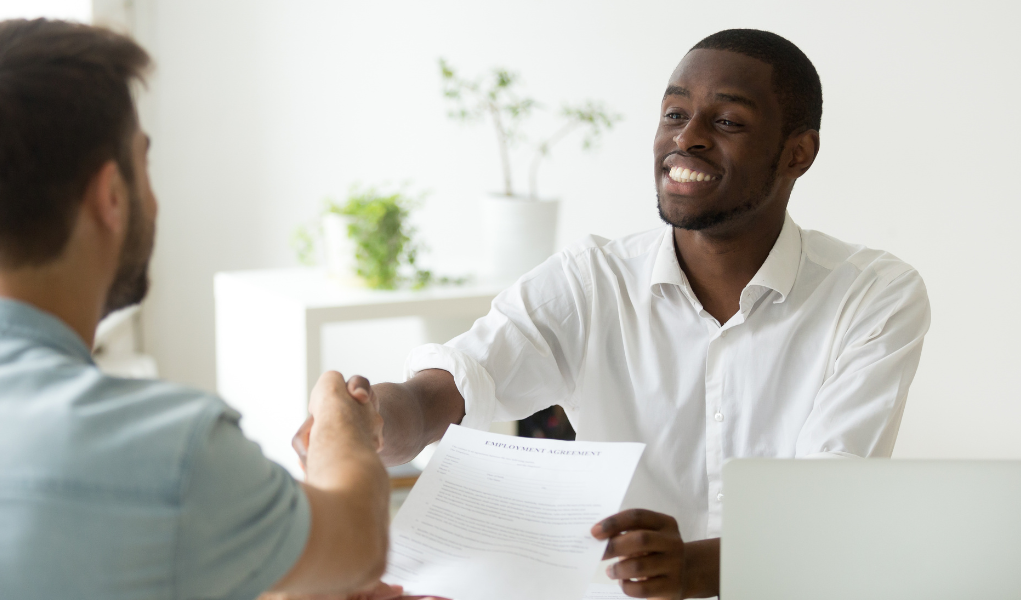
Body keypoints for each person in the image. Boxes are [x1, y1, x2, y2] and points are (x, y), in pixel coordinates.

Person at [296, 29, 931, 599]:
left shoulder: (873, 295)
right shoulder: (591, 279)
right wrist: (378, 420)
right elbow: (454, 385)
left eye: (728, 120)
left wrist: (690, 569)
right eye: (674, 113)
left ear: (798, 153)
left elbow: (832, 507)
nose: (687, 138)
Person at [0, 19, 398, 600]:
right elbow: (358, 544)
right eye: (142, 161)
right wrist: (339, 420)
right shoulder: (173, 453)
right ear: (111, 195)